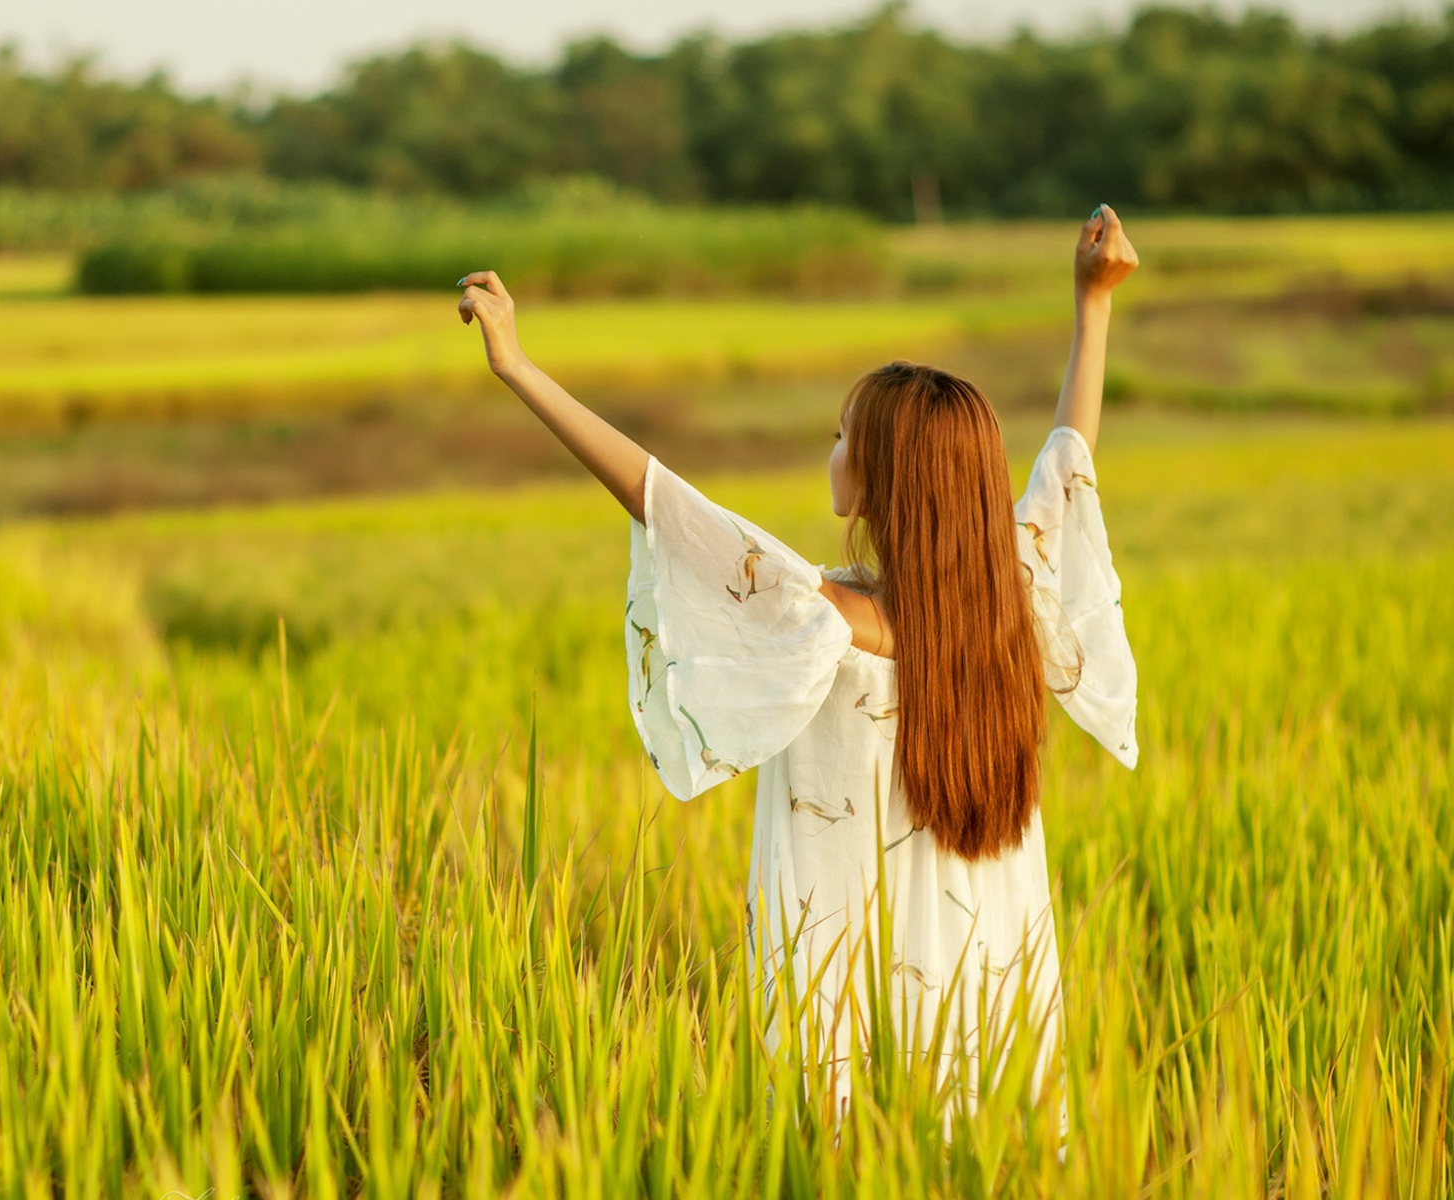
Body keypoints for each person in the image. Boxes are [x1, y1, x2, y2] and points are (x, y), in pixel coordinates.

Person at [456, 206, 1143, 1130]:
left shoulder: (820, 619)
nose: (830, 449)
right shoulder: (1012, 602)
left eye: (839, 435)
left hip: (851, 986)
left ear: (882, 475)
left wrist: (520, 369)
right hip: (993, 972)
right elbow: (1070, 461)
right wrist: (1091, 306)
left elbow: (659, 497)